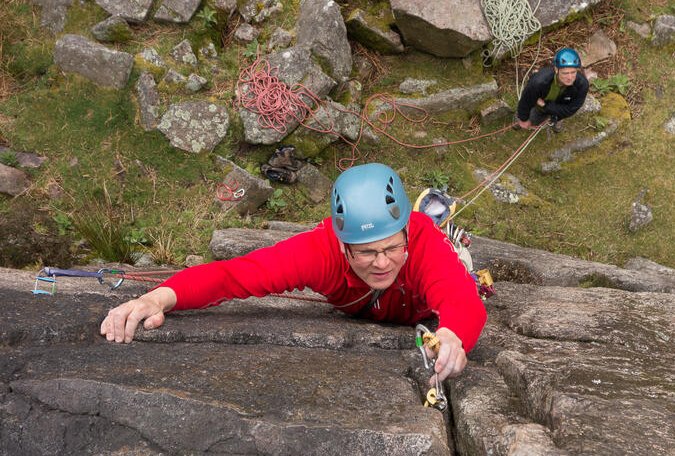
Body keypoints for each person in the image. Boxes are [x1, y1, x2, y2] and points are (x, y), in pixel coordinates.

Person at [100, 162, 487, 385]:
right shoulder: (318, 253)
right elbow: (235, 276)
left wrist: (452, 335)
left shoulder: (420, 243)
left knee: (459, 267)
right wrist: (157, 297)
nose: (382, 263)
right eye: (366, 253)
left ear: (405, 231)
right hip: (375, 300)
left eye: (391, 247)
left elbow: (460, 300)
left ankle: (446, 231)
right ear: (342, 244)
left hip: (423, 306)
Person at [515, 48, 589, 133]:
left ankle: (557, 118)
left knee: (560, 114)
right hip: (538, 107)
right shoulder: (539, 81)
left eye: (573, 72)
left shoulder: (582, 85)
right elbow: (526, 99)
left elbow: (570, 110)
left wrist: (545, 105)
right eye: (565, 73)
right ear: (556, 69)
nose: (570, 77)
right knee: (532, 120)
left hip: (552, 106)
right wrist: (523, 118)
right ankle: (519, 117)